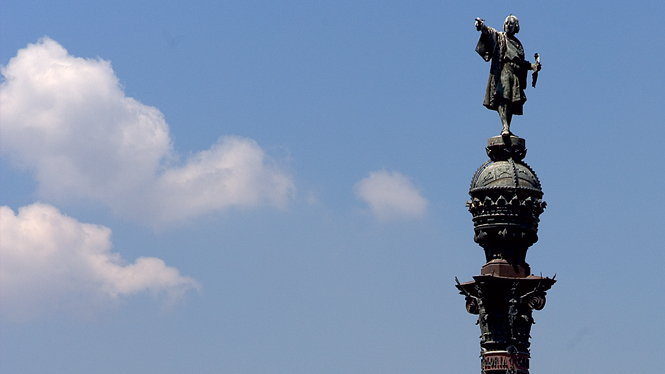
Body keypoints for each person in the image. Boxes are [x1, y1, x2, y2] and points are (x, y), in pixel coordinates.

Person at [475, 15, 541, 136]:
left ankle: (507, 126)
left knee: (511, 101)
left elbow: (521, 62)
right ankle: (505, 126)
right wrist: (482, 26)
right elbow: (490, 32)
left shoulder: (518, 45)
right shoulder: (500, 37)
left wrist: (533, 66)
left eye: (511, 23)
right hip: (504, 70)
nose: (507, 25)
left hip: (515, 74)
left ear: (516, 27)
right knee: (503, 97)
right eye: (506, 23)